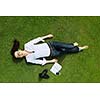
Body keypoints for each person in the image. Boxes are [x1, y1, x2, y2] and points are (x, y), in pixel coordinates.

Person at [11, 34, 88, 66]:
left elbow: (35, 40)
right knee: (65, 50)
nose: (20, 54)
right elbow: (39, 62)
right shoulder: (29, 59)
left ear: (19, 50)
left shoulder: (27, 45)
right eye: (18, 56)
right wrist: (51, 61)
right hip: (52, 53)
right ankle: (79, 48)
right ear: (20, 58)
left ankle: (72, 45)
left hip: (51, 44)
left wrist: (47, 36)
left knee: (65, 46)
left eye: (18, 53)